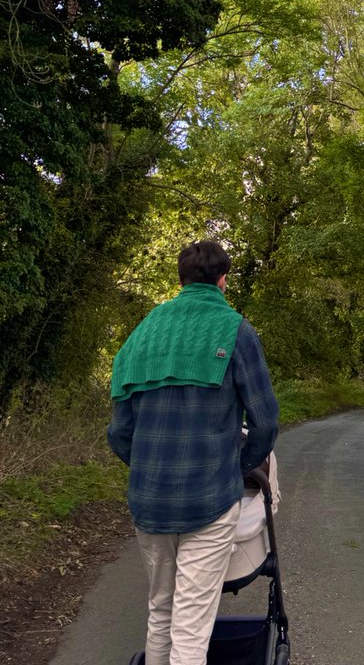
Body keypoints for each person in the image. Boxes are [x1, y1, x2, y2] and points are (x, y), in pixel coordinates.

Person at [108, 240, 279, 665]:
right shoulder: (235, 329)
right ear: (223, 280)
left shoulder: (143, 332)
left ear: (180, 279)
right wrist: (236, 465)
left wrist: (147, 465)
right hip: (209, 498)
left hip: (149, 500)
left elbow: (119, 431)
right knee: (191, 624)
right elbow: (264, 422)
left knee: (161, 609)